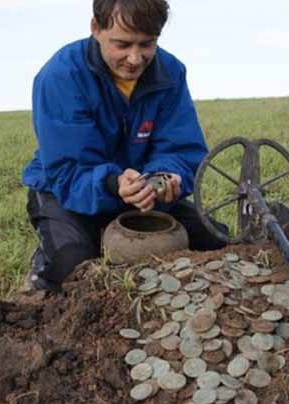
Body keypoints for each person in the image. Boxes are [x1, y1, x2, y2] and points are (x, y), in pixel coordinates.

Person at [21, 0, 227, 292]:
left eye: (147, 44)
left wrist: (166, 177)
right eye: (122, 44)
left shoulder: (170, 72)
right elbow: (67, 169)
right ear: (96, 28)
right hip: (65, 190)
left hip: (141, 191)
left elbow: (183, 149)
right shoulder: (60, 76)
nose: (135, 58)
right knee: (73, 266)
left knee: (215, 241)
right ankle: (47, 262)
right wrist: (113, 183)